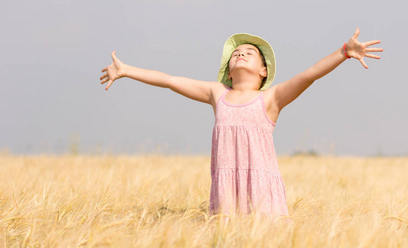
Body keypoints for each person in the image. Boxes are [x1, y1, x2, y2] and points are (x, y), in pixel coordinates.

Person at [100, 28, 383, 219]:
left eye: (249, 52)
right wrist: (126, 70)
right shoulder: (217, 94)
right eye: (235, 53)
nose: (240, 53)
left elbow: (309, 75)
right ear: (228, 70)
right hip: (227, 189)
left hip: (261, 190)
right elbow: (171, 81)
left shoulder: (271, 99)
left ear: (264, 70)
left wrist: (344, 52)